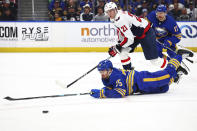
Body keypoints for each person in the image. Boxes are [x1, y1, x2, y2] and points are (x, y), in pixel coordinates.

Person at [90, 51, 192, 98]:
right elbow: (114, 87)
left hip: (142, 80)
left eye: (103, 71)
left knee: (166, 76)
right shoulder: (107, 76)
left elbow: (121, 92)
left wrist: (103, 93)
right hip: (140, 88)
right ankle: (177, 73)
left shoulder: (115, 75)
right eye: (100, 71)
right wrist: (105, 90)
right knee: (164, 88)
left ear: (109, 70)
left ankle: (179, 56)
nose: (101, 73)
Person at [105, 2, 167, 71]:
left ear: (116, 9)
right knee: (123, 53)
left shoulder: (120, 19)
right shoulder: (115, 17)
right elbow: (121, 31)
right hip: (136, 35)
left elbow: (129, 39)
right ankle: (129, 73)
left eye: (111, 11)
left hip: (146, 33)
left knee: (154, 61)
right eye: (108, 12)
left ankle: (174, 68)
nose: (110, 13)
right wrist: (118, 45)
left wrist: (118, 47)